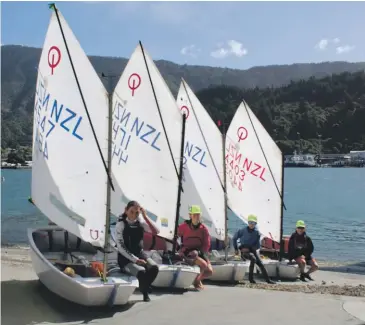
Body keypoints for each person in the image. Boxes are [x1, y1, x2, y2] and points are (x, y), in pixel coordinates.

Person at [115, 200, 160, 302]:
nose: (134, 215)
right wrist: (135, 260)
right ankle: (145, 292)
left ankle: (144, 286)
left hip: (139, 253)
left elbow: (156, 231)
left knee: (154, 268)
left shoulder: (141, 223)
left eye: (137, 213)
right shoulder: (120, 225)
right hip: (125, 258)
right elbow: (121, 248)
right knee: (141, 271)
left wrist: (145, 216)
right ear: (126, 210)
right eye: (131, 212)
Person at [177, 205, 213, 290]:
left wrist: (202, 252)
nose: (196, 217)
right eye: (194, 215)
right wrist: (179, 249)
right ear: (190, 215)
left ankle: (195, 280)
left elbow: (207, 244)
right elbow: (175, 236)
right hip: (187, 251)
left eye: (198, 215)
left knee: (210, 272)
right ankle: (197, 282)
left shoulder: (203, 229)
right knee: (203, 264)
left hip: (199, 252)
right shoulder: (183, 226)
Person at [233, 214, 275, 284]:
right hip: (244, 251)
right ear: (248, 222)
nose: (252, 224)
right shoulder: (242, 230)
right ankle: (251, 279)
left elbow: (258, 246)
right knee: (253, 258)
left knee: (260, 264)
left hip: (252, 250)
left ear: (256, 223)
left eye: (253, 223)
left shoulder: (257, 233)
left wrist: (251, 248)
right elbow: (234, 238)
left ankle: (268, 280)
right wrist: (236, 249)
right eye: (250, 222)